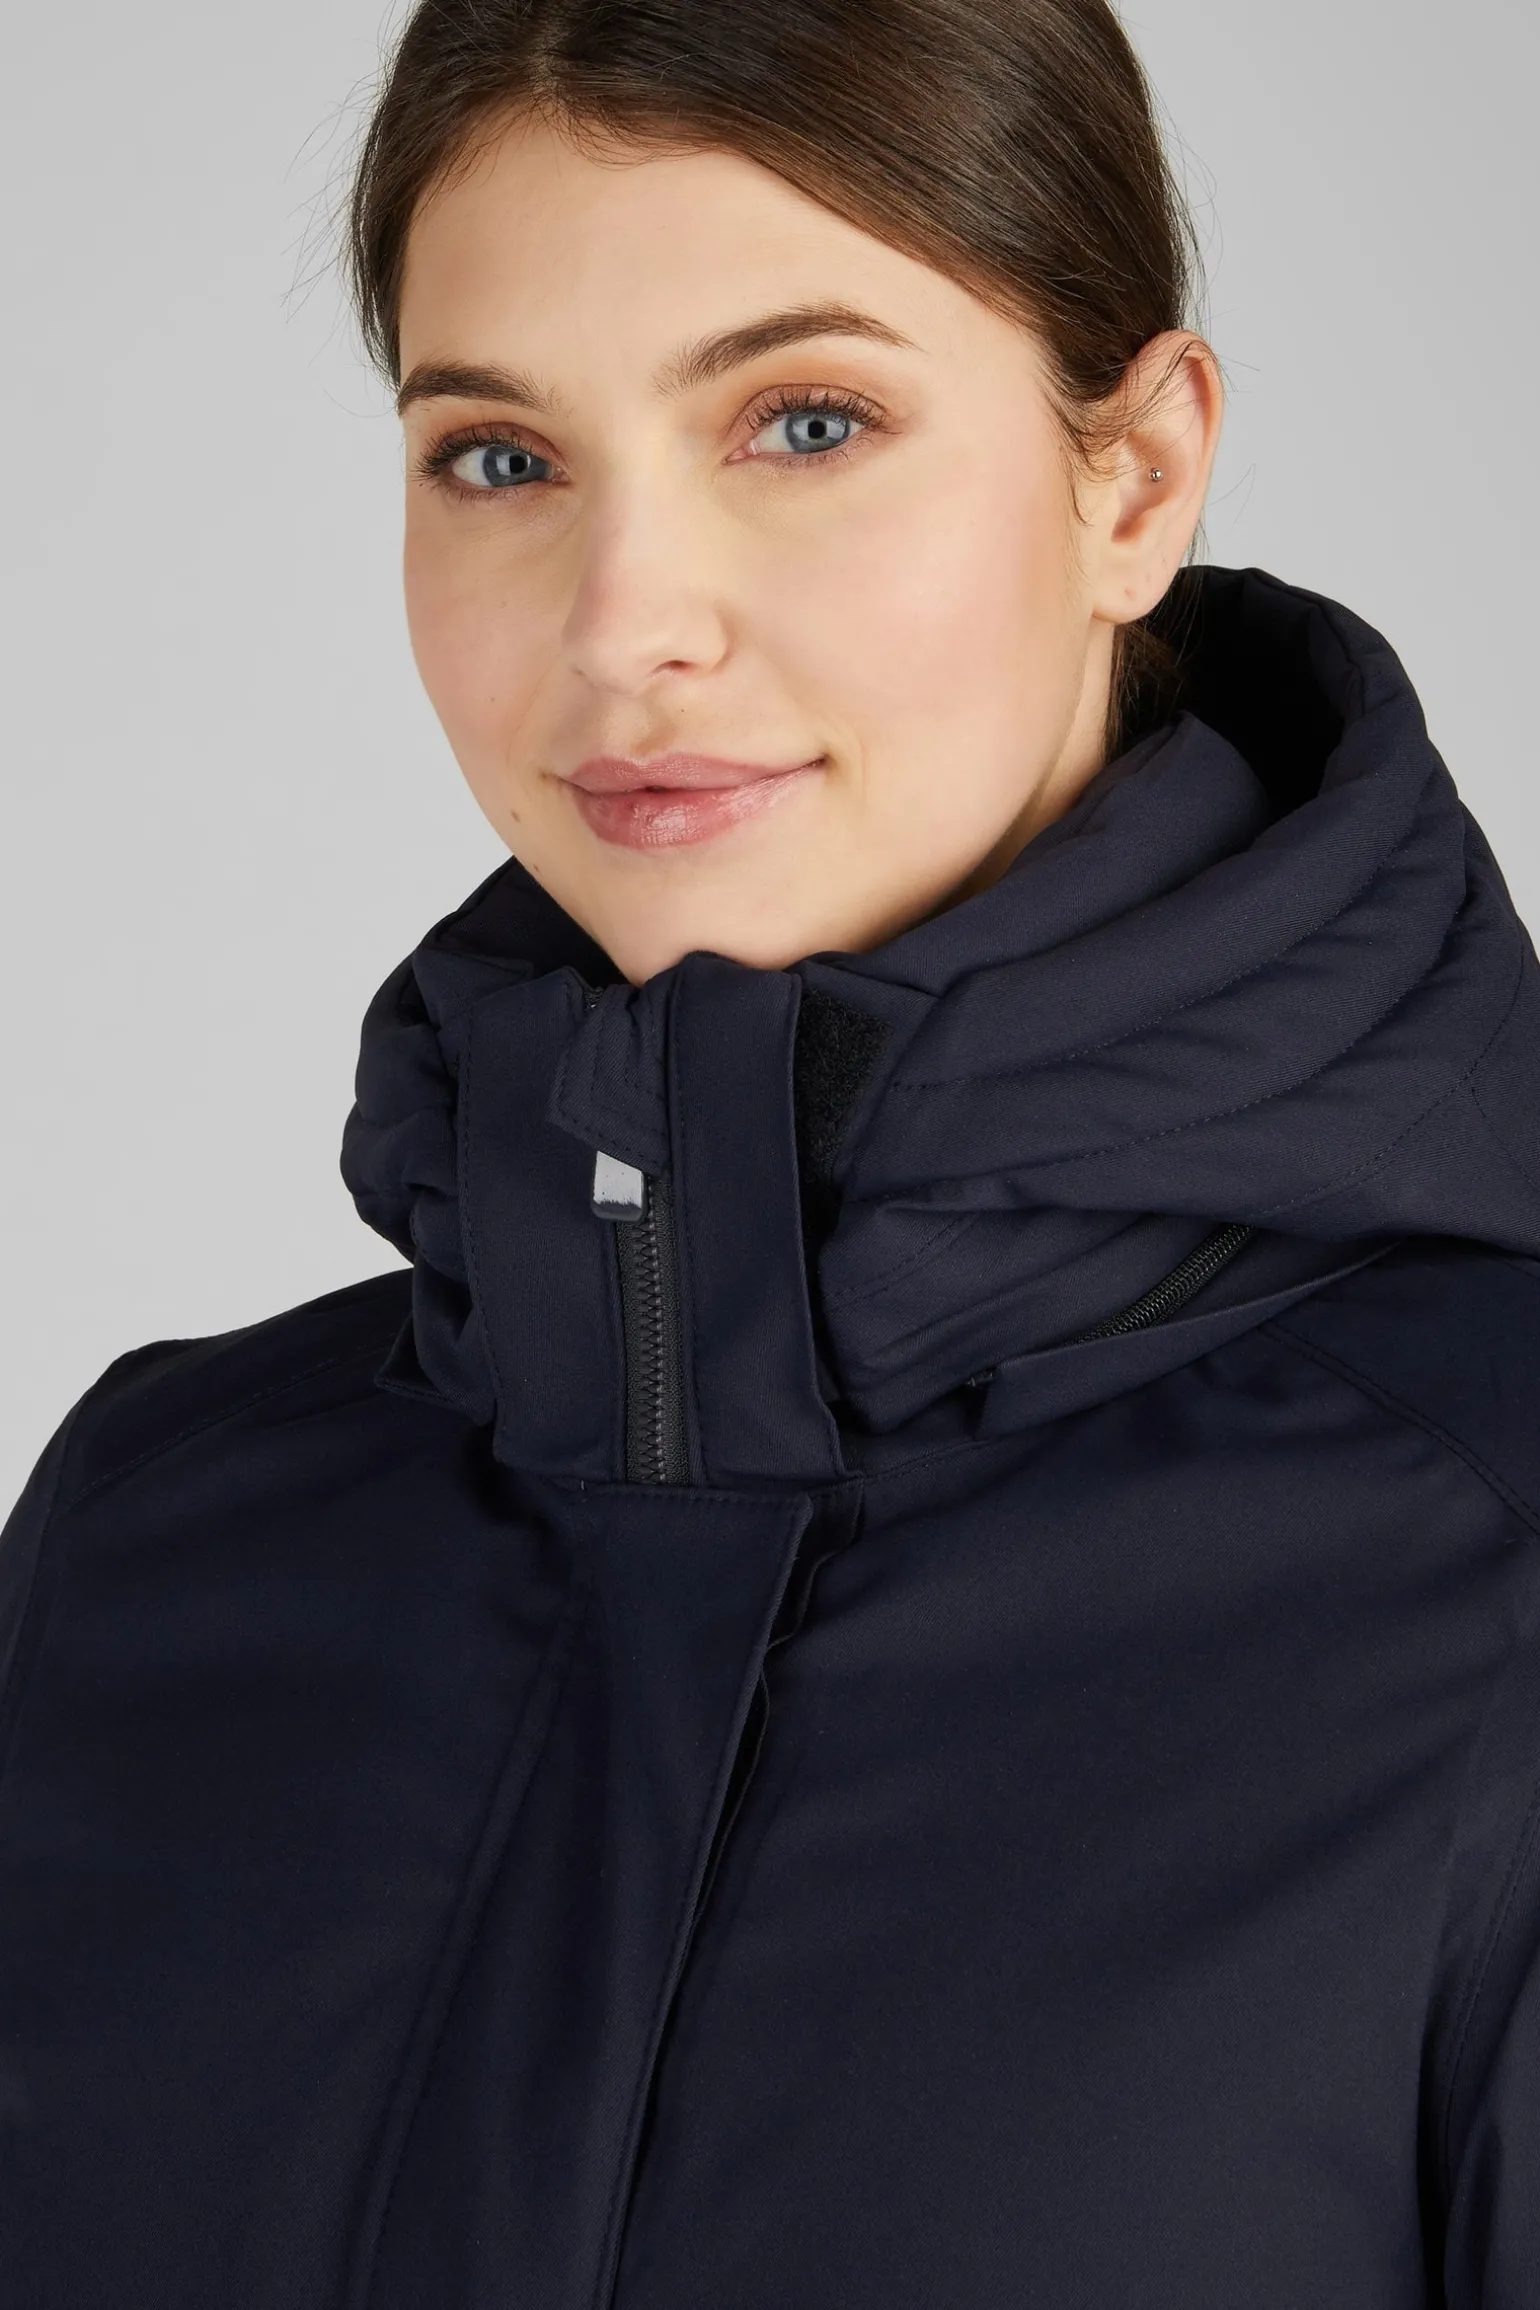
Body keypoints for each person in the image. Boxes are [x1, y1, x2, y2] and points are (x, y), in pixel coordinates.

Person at [3, 0, 1539, 2302]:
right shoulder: (149, 1542)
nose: (625, 624)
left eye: (803, 423)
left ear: (1133, 477)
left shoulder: (1490, 1568)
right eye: (497, 458)